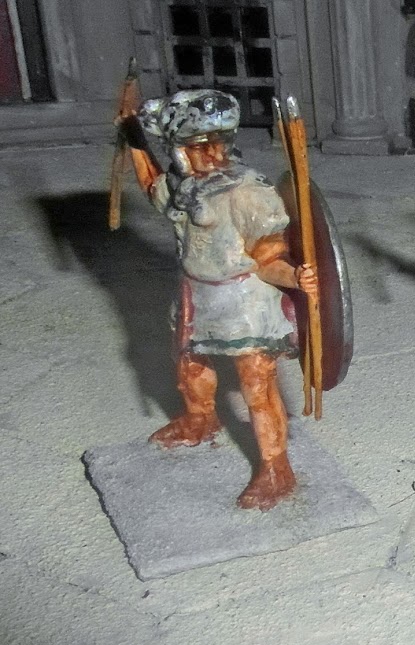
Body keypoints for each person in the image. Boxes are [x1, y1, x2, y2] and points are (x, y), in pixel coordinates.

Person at [121, 89, 319, 510]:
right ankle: (200, 419)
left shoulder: (249, 192)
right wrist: (134, 137)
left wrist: (296, 278)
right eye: (199, 146)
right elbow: (152, 185)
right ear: (178, 150)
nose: (212, 155)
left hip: (244, 301)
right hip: (195, 294)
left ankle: (276, 468)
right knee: (190, 365)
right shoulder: (184, 187)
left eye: (218, 144)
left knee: (256, 384)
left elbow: (269, 258)